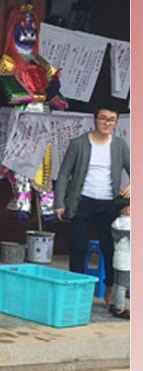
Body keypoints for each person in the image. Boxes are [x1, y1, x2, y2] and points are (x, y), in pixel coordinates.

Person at [53, 106, 130, 280]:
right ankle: (76, 285)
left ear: (116, 122)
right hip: (81, 201)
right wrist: (59, 202)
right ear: (95, 119)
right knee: (78, 246)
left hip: (109, 202)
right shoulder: (78, 143)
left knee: (110, 247)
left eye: (111, 120)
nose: (106, 123)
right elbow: (64, 174)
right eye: (103, 118)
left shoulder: (119, 145)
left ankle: (110, 287)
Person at [109, 204, 130, 318]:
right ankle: (120, 308)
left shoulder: (116, 222)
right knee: (122, 285)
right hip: (127, 260)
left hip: (117, 257)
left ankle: (113, 304)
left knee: (116, 283)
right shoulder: (130, 224)